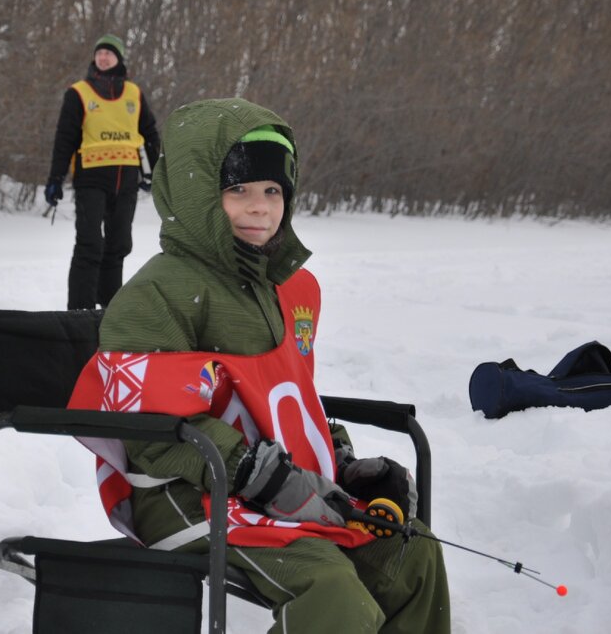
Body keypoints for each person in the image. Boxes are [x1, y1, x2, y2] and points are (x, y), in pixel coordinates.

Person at [69, 98, 450, 633]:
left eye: (273, 191)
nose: (260, 207)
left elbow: (284, 396)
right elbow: (152, 431)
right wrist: (253, 472)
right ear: (200, 194)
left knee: (411, 556)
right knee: (333, 590)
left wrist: (338, 459)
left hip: (273, 484)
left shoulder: (284, 289)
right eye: (238, 190)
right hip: (185, 492)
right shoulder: (156, 294)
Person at [45, 34, 160, 310]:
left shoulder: (134, 93)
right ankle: (80, 310)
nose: (104, 57)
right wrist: (55, 179)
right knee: (89, 244)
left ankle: (109, 310)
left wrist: (153, 173)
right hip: (91, 178)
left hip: (127, 178)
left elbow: (150, 134)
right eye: (100, 53)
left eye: (109, 53)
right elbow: (65, 139)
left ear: (119, 59)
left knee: (118, 244)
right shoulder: (78, 93)